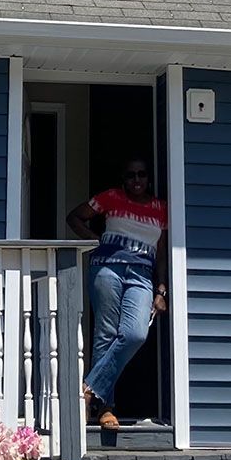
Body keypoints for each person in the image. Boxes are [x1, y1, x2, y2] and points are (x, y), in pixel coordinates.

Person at [67, 157, 169, 430]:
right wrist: (97, 242)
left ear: (148, 178)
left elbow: (160, 254)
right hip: (107, 270)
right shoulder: (110, 198)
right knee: (106, 334)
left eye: (141, 175)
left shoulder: (161, 209)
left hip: (141, 276)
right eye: (130, 176)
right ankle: (106, 408)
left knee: (135, 333)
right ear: (122, 179)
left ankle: (88, 390)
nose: (136, 181)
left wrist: (161, 289)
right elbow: (74, 217)